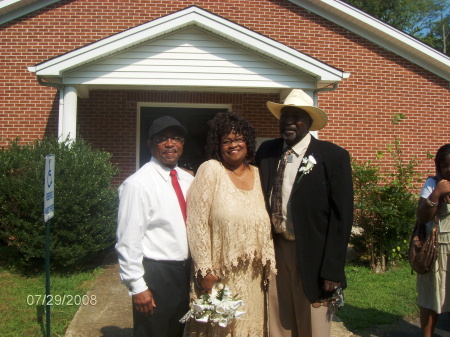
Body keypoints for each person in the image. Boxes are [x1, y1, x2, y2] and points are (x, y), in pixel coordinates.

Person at [255, 89, 353, 337]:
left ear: (309, 122)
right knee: (279, 319)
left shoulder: (333, 157)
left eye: (297, 116)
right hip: (275, 250)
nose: (289, 121)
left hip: (314, 254)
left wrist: (333, 269)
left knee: (313, 323)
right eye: (285, 115)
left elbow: (342, 218)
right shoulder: (267, 152)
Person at [183, 112, 276, 337]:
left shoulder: (259, 174)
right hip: (219, 276)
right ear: (218, 145)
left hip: (254, 278)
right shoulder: (210, 170)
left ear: (248, 142)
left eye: (238, 139)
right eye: (226, 140)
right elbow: (196, 222)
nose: (233, 144)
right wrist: (204, 270)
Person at [116, 116, 194, 337]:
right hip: (158, 274)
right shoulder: (138, 184)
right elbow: (128, 239)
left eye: (176, 138)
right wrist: (137, 286)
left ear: (183, 143)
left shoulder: (187, 180)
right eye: (162, 139)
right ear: (150, 144)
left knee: (180, 332)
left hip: (186, 273)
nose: (170, 144)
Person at [416, 144, 450, 337]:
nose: (449, 169)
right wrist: (436, 193)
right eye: (444, 165)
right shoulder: (432, 184)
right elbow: (422, 216)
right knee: (430, 299)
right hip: (435, 251)